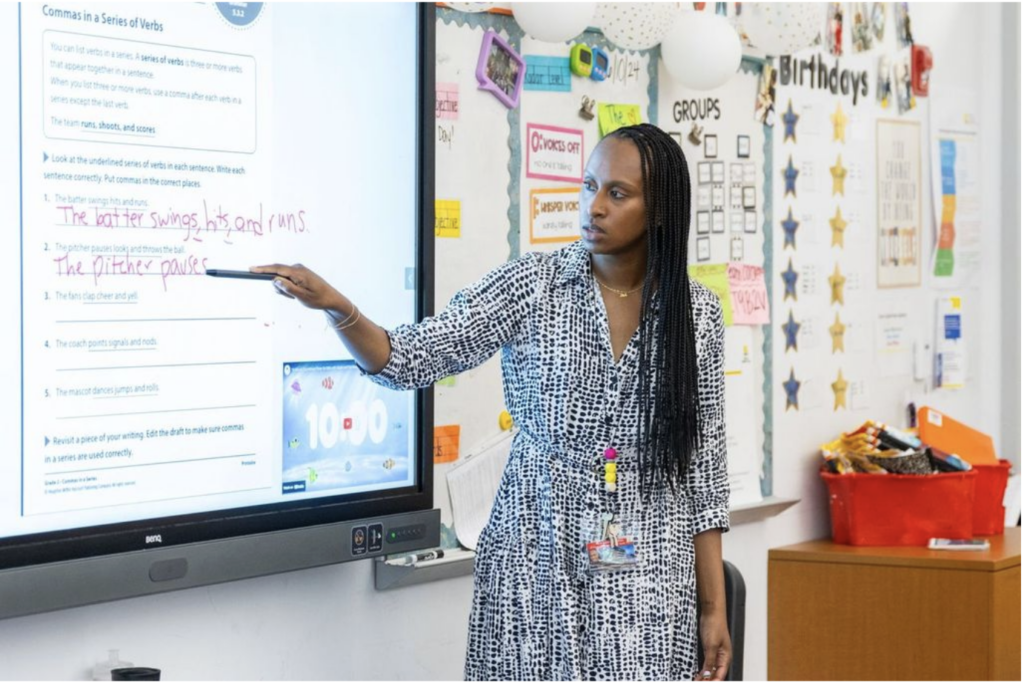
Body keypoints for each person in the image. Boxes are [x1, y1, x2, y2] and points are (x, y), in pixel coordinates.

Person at [252, 123, 731, 681]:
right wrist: (339, 309)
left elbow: (704, 474)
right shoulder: (534, 285)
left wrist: (713, 608)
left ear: (660, 210)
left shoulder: (696, 314)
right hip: (534, 552)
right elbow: (412, 357)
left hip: (647, 567)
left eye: (616, 194)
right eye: (588, 186)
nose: (593, 207)